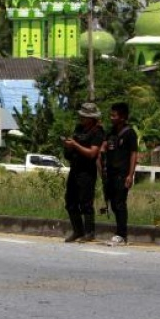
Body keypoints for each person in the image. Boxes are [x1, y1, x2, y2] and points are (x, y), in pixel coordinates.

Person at [62, 102, 105, 243]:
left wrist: (75, 145)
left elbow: (92, 153)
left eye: (84, 116)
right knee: (70, 201)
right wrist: (69, 145)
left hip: (87, 172)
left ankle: (89, 232)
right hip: (75, 168)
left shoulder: (98, 132)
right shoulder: (79, 128)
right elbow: (74, 143)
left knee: (85, 202)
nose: (81, 118)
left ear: (91, 118)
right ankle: (77, 230)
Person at [100, 102, 138, 247]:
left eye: (114, 115)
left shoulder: (130, 133)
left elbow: (134, 154)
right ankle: (119, 233)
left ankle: (122, 235)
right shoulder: (111, 133)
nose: (111, 117)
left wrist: (130, 174)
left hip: (123, 173)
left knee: (120, 203)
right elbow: (104, 148)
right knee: (113, 204)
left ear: (122, 117)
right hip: (110, 173)